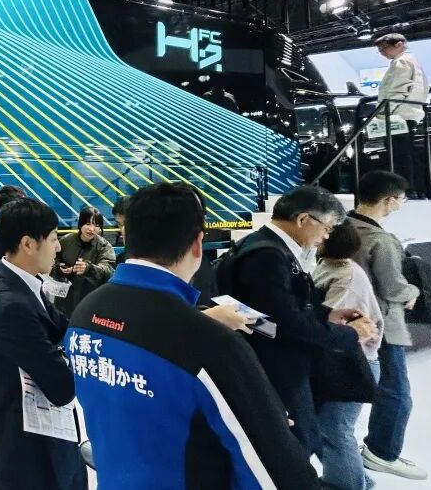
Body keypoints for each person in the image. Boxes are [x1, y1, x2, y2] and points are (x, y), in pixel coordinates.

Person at [67, 183, 318, 489]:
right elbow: (278, 473)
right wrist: (265, 421)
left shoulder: (85, 312)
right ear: (198, 244)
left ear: (126, 235)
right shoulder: (208, 342)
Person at [216, 185, 376, 455]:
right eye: (327, 227)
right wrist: (350, 334)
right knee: (297, 445)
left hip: (271, 359)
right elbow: (283, 324)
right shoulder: (267, 256)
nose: (326, 236)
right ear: (303, 219)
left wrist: (327, 314)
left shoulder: (261, 245)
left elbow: (266, 316)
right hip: (276, 368)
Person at [0, 197, 86, 490]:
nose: (58, 247)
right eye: (53, 238)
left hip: (40, 438)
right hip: (31, 454)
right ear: (28, 244)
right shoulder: (12, 304)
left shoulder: (23, 285)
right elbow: (62, 387)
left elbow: (63, 327)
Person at [348, 171, 427, 480]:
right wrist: (414, 291)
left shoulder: (342, 227)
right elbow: (393, 287)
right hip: (381, 324)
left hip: (348, 320)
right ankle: (382, 453)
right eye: (401, 199)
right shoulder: (381, 240)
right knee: (397, 392)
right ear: (389, 200)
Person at [313, 219, 384, 490]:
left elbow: (329, 324)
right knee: (328, 427)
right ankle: (356, 480)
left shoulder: (347, 278)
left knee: (335, 428)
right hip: (338, 361)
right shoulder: (327, 265)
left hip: (353, 363)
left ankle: (348, 484)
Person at [374, 33, 430, 197]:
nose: (382, 53)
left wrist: (383, 112)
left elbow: (398, 90)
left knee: (398, 155)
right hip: (409, 113)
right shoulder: (413, 61)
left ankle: (405, 191)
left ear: (399, 44)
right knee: (407, 153)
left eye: (384, 48)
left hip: (398, 115)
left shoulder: (401, 62)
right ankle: (416, 190)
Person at [48, 206, 115, 317]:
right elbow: (52, 260)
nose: (91, 229)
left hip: (91, 302)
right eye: (88, 224)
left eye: (96, 225)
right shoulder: (66, 241)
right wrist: (60, 268)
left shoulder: (104, 246)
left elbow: (108, 271)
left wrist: (89, 268)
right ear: (80, 224)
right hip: (64, 302)